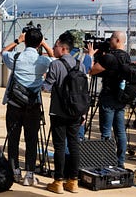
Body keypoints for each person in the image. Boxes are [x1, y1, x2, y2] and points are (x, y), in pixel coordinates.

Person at [1, 28, 53, 186]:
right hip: (33, 106)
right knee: (31, 140)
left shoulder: (15, 58)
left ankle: (14, 172)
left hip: (14, 104)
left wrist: (18, 41)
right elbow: (55, 59)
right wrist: (43, 42)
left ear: (25, 41)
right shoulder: (43, 61)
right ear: (39, 43)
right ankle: (29, 175)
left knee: (13, 138)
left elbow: (3, 52)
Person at [43, 31, 86, 193]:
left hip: (59, 112)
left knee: (60, 146)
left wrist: (44, 80)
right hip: (76, 112)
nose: (53, 49)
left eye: (55, 46)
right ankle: (73, 181)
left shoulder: (55, 65)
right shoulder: (80, 65)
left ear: (62, 48)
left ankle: (58, 181)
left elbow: (46, 87)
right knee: (74, 145)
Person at [89, 31, 129, 168]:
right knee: (120, 131)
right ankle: (120, 161)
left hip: (108, 96)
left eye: (111, 37)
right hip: (121, 97)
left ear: (117, 40)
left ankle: (105, 161)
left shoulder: (110, 57)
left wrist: (92, 55)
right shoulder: (126, 57)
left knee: (106, 131)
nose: (109, 40)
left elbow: (92, 70)